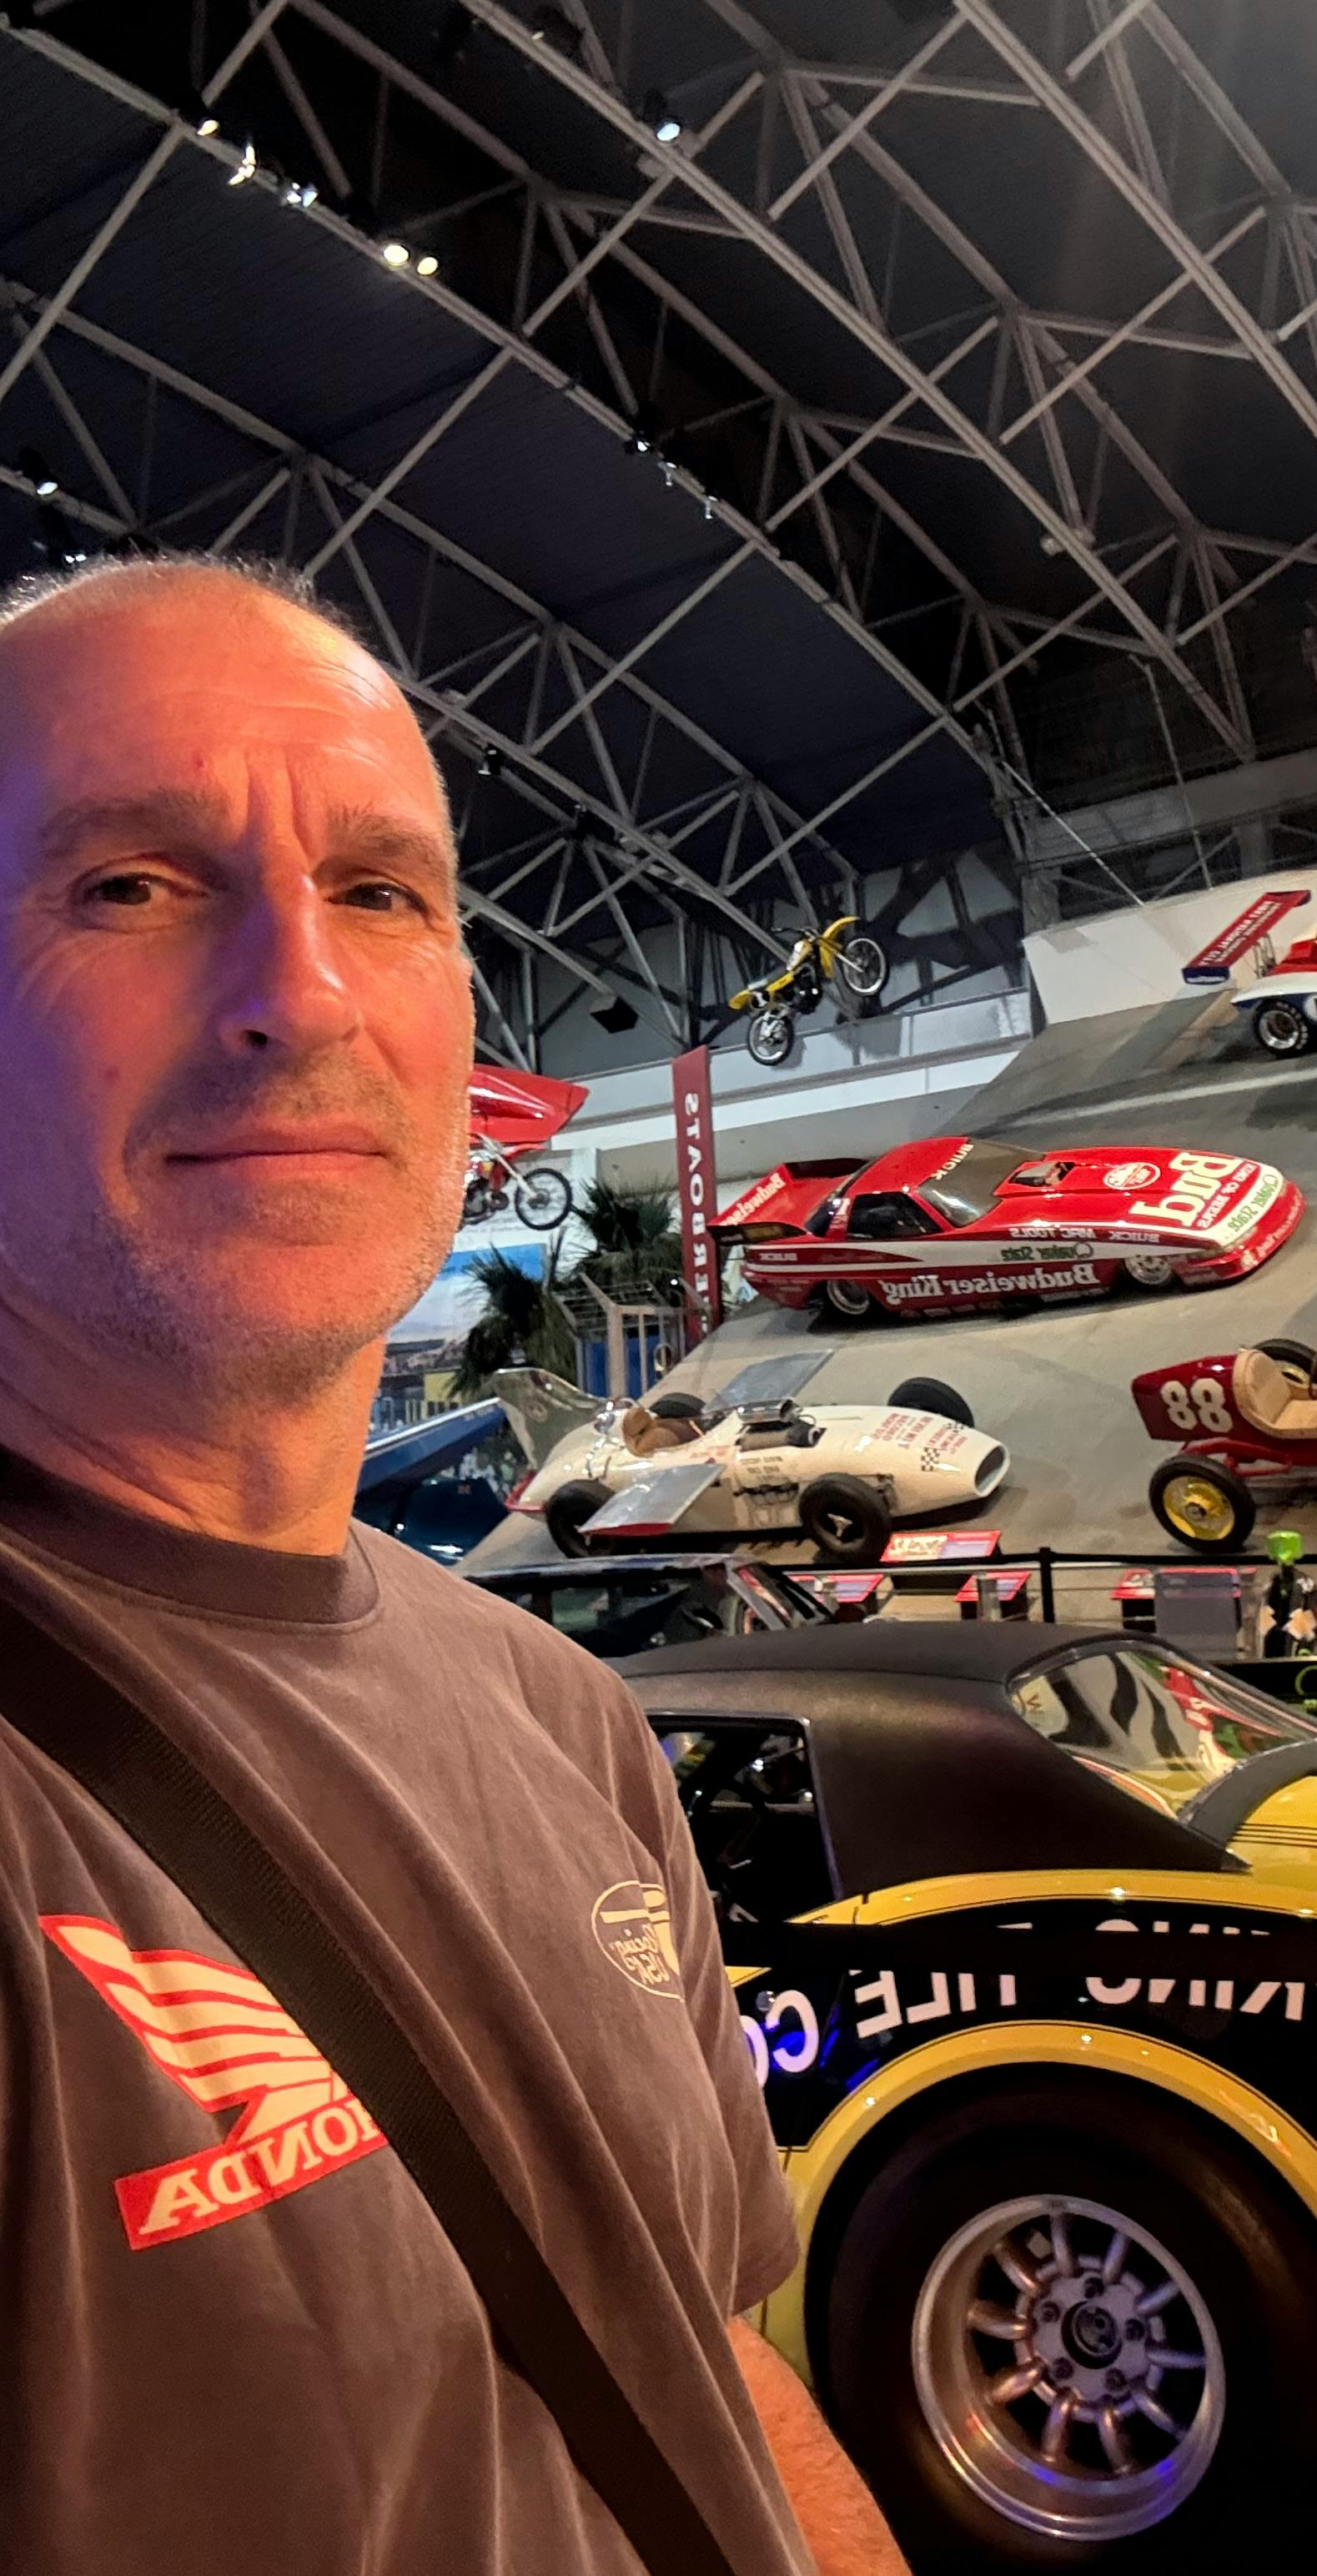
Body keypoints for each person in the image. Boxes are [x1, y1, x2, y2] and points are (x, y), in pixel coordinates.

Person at [0, 554, 909, 2576]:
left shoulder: (563, 1720)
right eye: (130, 883)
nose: (306, 991)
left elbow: (703, 2365)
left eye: (382, 892)